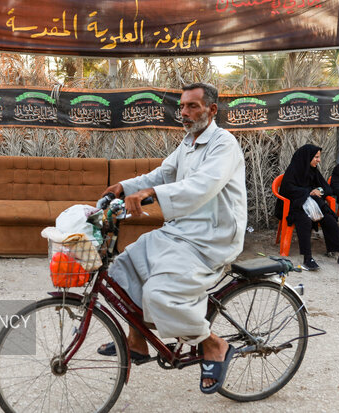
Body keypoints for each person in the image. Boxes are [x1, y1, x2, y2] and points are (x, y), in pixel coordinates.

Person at [98, 83, 246, 394]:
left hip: (211, 236)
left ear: (212, 110)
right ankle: (137, 341)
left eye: (193, 106)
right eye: (182, 107)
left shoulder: (223, 144)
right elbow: (162, 175)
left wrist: (152, 194)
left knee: (160, 293)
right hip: (182, 230)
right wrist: (123, 186)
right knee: (122, 267)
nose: (184, 113)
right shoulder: (189, 143)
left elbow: (202, 186)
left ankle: (213, 344)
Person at [275, 144, 339, 271]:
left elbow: (327, 188)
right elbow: (288, 190)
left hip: (313, 206)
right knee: (304, 221)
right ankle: (307, 258)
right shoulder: (292, 171)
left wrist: (318, 190)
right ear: (307, 157)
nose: (318, 160)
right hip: (294, 207)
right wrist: (309, 191)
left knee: (329, 219)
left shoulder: (313, 171)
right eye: (316, 157)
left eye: (319, 157)